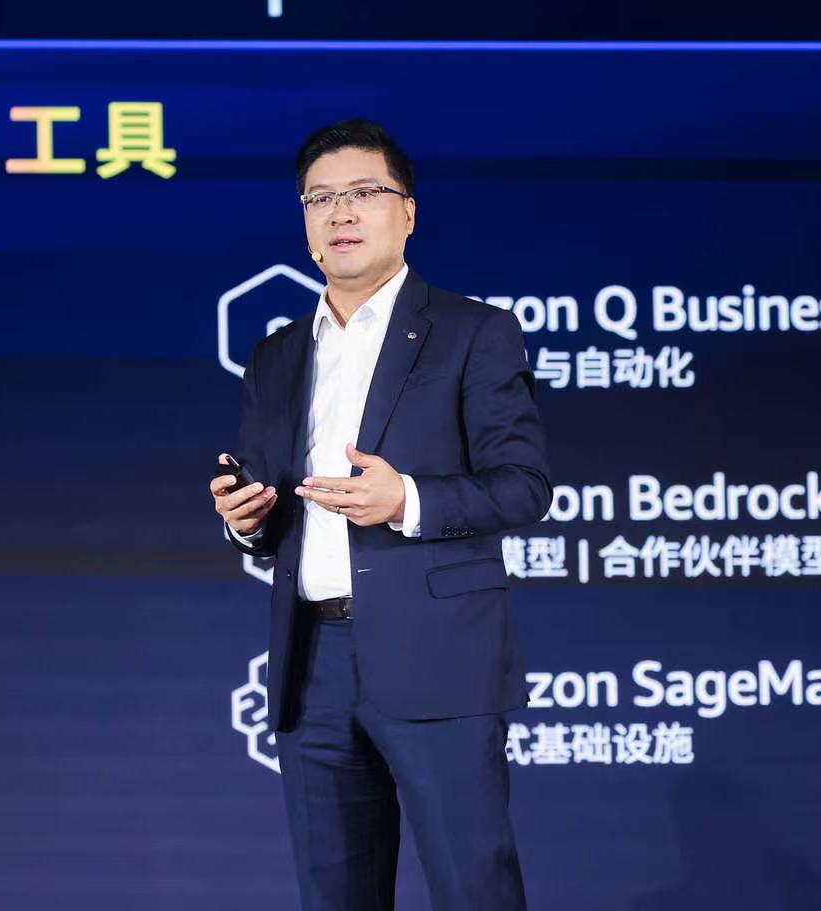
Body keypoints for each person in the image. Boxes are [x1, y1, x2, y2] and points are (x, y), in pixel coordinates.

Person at [208, 118, 551, 911]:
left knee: (473, 887)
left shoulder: (472, 332)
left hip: (438, 655)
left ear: (408, 212)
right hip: (312, 661)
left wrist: (409, 499)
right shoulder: (276, 355)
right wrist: (246, 518)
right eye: (320, 198)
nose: (341, 212)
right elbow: (271, 509)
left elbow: (524, 485)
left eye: (364, 192)